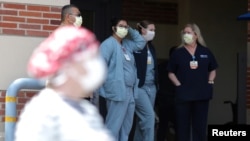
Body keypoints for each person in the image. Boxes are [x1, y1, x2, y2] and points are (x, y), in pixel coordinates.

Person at [14, 26, 114, 141]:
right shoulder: (44, 112)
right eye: (88, 59)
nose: (93, 66)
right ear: (69, 66)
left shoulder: (86, 109)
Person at [167, 23, 218, 141]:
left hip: (202, 94)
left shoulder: (205, 51)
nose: (186, 35)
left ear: (196, 35)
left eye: (188, 32)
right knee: (182, 126)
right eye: (184, 33)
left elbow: (213, 69)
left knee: (200, 126)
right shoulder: (178, 53)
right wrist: (178, 85)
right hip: (183, 94)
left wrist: (210, 82)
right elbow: (170, 72)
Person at [98, 17, 146, 141]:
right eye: (121, 26)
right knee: (113, 125)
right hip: (117, 90)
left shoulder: (126, 44)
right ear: (114, 28)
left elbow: (141, 43)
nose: (124, 29)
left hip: (130, 91)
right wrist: (107, 86)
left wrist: (130, 30)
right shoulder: (108, 44)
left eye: (126, 26)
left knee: (126, 126)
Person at [132, 20, 158, 141]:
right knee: (149, 117)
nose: (153, 32)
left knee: (142, 120)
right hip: (139, 87)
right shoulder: (134, 45)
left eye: (154, 30)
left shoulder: (151, 47)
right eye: (151, 30)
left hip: (151, 87)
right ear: (142, 30)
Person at [156, 46, 177, 141]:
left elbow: (156, 82)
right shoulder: (179, 68)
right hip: (175, 102)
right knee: (179, 127)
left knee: (162, 127)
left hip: (163, 101)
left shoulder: (161, 66)